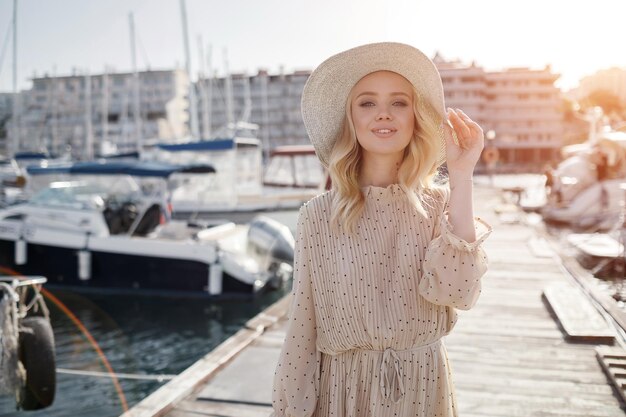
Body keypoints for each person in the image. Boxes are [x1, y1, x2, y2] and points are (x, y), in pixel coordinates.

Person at [270, 42, 493, 417]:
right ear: (350, 119)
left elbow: (458, 291)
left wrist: (461, 175)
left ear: (414, 117)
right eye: (367, 103)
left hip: (423, 390)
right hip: (342, 392)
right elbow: (302, 330)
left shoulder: (438, 205)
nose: (384, 114)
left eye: (399, 103)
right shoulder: (317, 216)